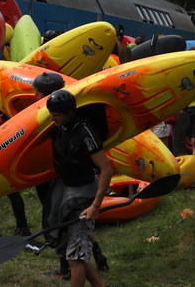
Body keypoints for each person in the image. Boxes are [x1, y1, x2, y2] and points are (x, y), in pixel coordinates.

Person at [46, 89, 112, 287]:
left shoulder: (85, 132)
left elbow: (106, 170)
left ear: (68, 112)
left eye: (56, 115)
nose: (52, 118)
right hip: (66, 193)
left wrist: (96, 205)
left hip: (84, 198)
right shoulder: (60, 128)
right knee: (75, 255)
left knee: (75, 258)